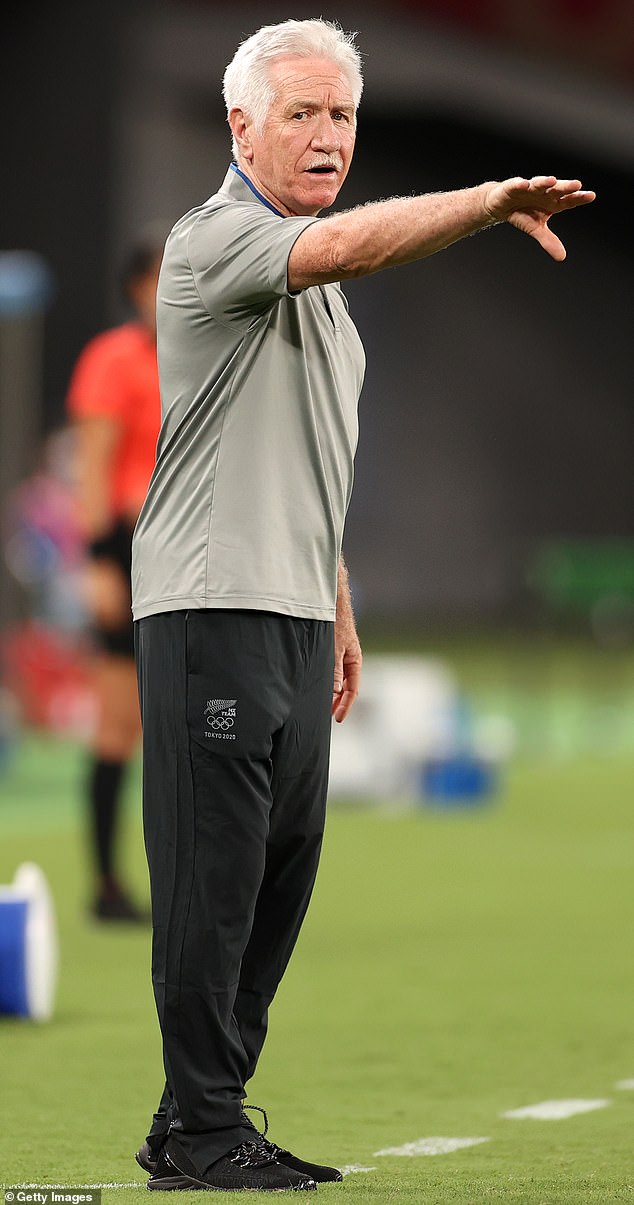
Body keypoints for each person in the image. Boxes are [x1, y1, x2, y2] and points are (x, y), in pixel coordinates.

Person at [131, 17, 595, 1193]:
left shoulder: (319, 289)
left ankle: (211, 1110)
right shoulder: (215, 240)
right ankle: (198, 1125)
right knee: (215, 880)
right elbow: (349, 249)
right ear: (241, 124)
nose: (328, 133)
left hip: (289, 611)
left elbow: (305, 461)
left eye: (341, 113)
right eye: (302, 112)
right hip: (209, 607)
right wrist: (487, 201)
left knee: (280, 874)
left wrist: (335, 602)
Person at [66, 232, 164, 921]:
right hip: (130, 547)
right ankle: (106, 884)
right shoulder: (111, 360)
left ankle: (200, 885)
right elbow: (93, 470)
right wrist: (99, 562)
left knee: (195, 726)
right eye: (165, 277)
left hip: (193, 547)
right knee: (118, 724)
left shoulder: (205, 350)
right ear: (137, 288)